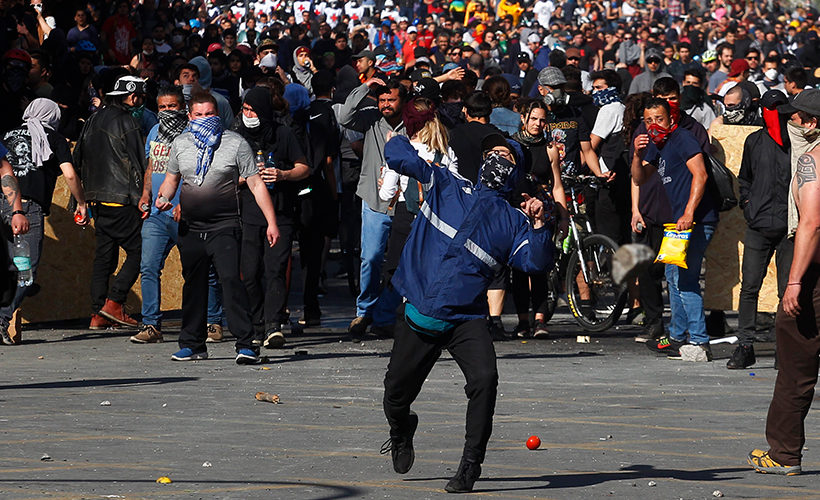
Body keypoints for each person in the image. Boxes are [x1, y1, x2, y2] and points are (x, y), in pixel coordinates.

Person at [380, 132, 553, 493]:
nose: (497, 159)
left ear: (515, 172)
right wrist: (400, 142)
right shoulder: (445, 183)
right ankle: (400, 429)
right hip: (418, 310)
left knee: (485, 379)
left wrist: (541, 223)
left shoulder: (513, 221)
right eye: (491, 153)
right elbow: (398, 157)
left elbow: (535, 261)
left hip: (466, 319)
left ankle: (470, 464)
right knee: (395, 395)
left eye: (506, 155)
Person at [155, 92, 279, 364]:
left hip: (225, 226)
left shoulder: (235, 144)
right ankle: (192, 344)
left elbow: (256, 184)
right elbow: (172, 180)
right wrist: (163, 198)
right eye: (198, 115)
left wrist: (271, 222)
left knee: (231, 281)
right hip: (190, 227)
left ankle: (246, 344)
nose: (204, 119)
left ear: (219, 115)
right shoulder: (180, 144)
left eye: (209, 114)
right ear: (189, 117)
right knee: (193, 285)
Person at [748, 88, 820, 476]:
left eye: (794, 118)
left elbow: (811, 223)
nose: (789, 122)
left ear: (810, 124)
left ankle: (783, 454)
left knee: (795, 367)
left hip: (813, 276)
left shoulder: (812, 161)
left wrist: (794, 283)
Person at [633, 97, 719, 362]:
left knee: (685, 279)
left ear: (671, 118)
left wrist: (689, 212)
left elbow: (700, 174)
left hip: (696, 220)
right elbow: (639, 177)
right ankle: (677, 337)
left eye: (659, 119)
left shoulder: (682, 138)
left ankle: (700, 341)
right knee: (673, 275)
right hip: (677, 225)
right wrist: (637, 154)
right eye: (648, 121)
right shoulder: (657, 146)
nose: (654, 125)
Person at [0, 99, 82, 344]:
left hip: (2, 201)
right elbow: (68, 173)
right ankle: (2, 319)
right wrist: (82, 203)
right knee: (26, 270)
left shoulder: (6, 135)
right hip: (26, 208)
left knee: (7, 267)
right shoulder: (53, 138)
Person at [233, 86, 308, 349]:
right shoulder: (237, 137)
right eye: (245, 109)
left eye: (252, 110)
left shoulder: (284, 134)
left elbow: (304, 167)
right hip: (249, 215)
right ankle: (256, 323)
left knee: (276, 269)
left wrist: (283, 174)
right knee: (250, 272)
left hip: (282, 212)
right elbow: (226, 177)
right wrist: (248, 177)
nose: (248, 114)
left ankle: (273, 325)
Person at [73, 74, 147, 330]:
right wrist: (144, 197)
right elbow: (141, 163)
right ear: (132, 96)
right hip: (123, 199)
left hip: (98, 201)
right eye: (139, 96)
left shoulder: (92, 120)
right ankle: (114, 303)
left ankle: (98, 315)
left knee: (104, 257)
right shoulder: (128, 122)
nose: (140, 101)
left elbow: (77, 158)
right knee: (141, 250)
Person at [338, 77, 407, 337]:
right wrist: (366, 87)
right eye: (382, 100)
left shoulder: (411, 124)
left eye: (391, 100)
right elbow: (344, 117)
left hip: (404, 202)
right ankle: (364, 311)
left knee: (398, 262)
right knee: (371, 258)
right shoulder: (370, 118)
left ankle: (386, 314)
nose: (386, 104)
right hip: (374, 199)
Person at [731, 90, 793, 369]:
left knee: (787, 292)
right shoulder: (754, 141)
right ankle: (745, 345)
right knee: (750, 288)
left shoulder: (797, 142)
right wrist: (747, 202)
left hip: (790, 229)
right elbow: (745, 178)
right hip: (758, 225)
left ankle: (786, 349)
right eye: (770, 109)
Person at [129, 85, 188, 344]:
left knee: (198, 270)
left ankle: (212, 321)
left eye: (172, 107)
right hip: (156, 212)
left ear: (182, 107)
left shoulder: (192, 132)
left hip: (184, 212)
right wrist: (146, 194)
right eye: (162, 107)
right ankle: (151, 324)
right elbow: (152, 166)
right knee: (149, 267)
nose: (166, 112)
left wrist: (184, 203)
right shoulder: (154, 131)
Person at [509, 98, 568, 338]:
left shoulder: (550, 148)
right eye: (534, 118)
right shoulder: (512, 145)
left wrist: (563, 216)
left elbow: (557, 185)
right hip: (518, 209)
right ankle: (523, 321)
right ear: (523, 119)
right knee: (520, 267)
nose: (538, 124)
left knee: (542, 265)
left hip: (544, 211)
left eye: (542, 120)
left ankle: (540, 320)